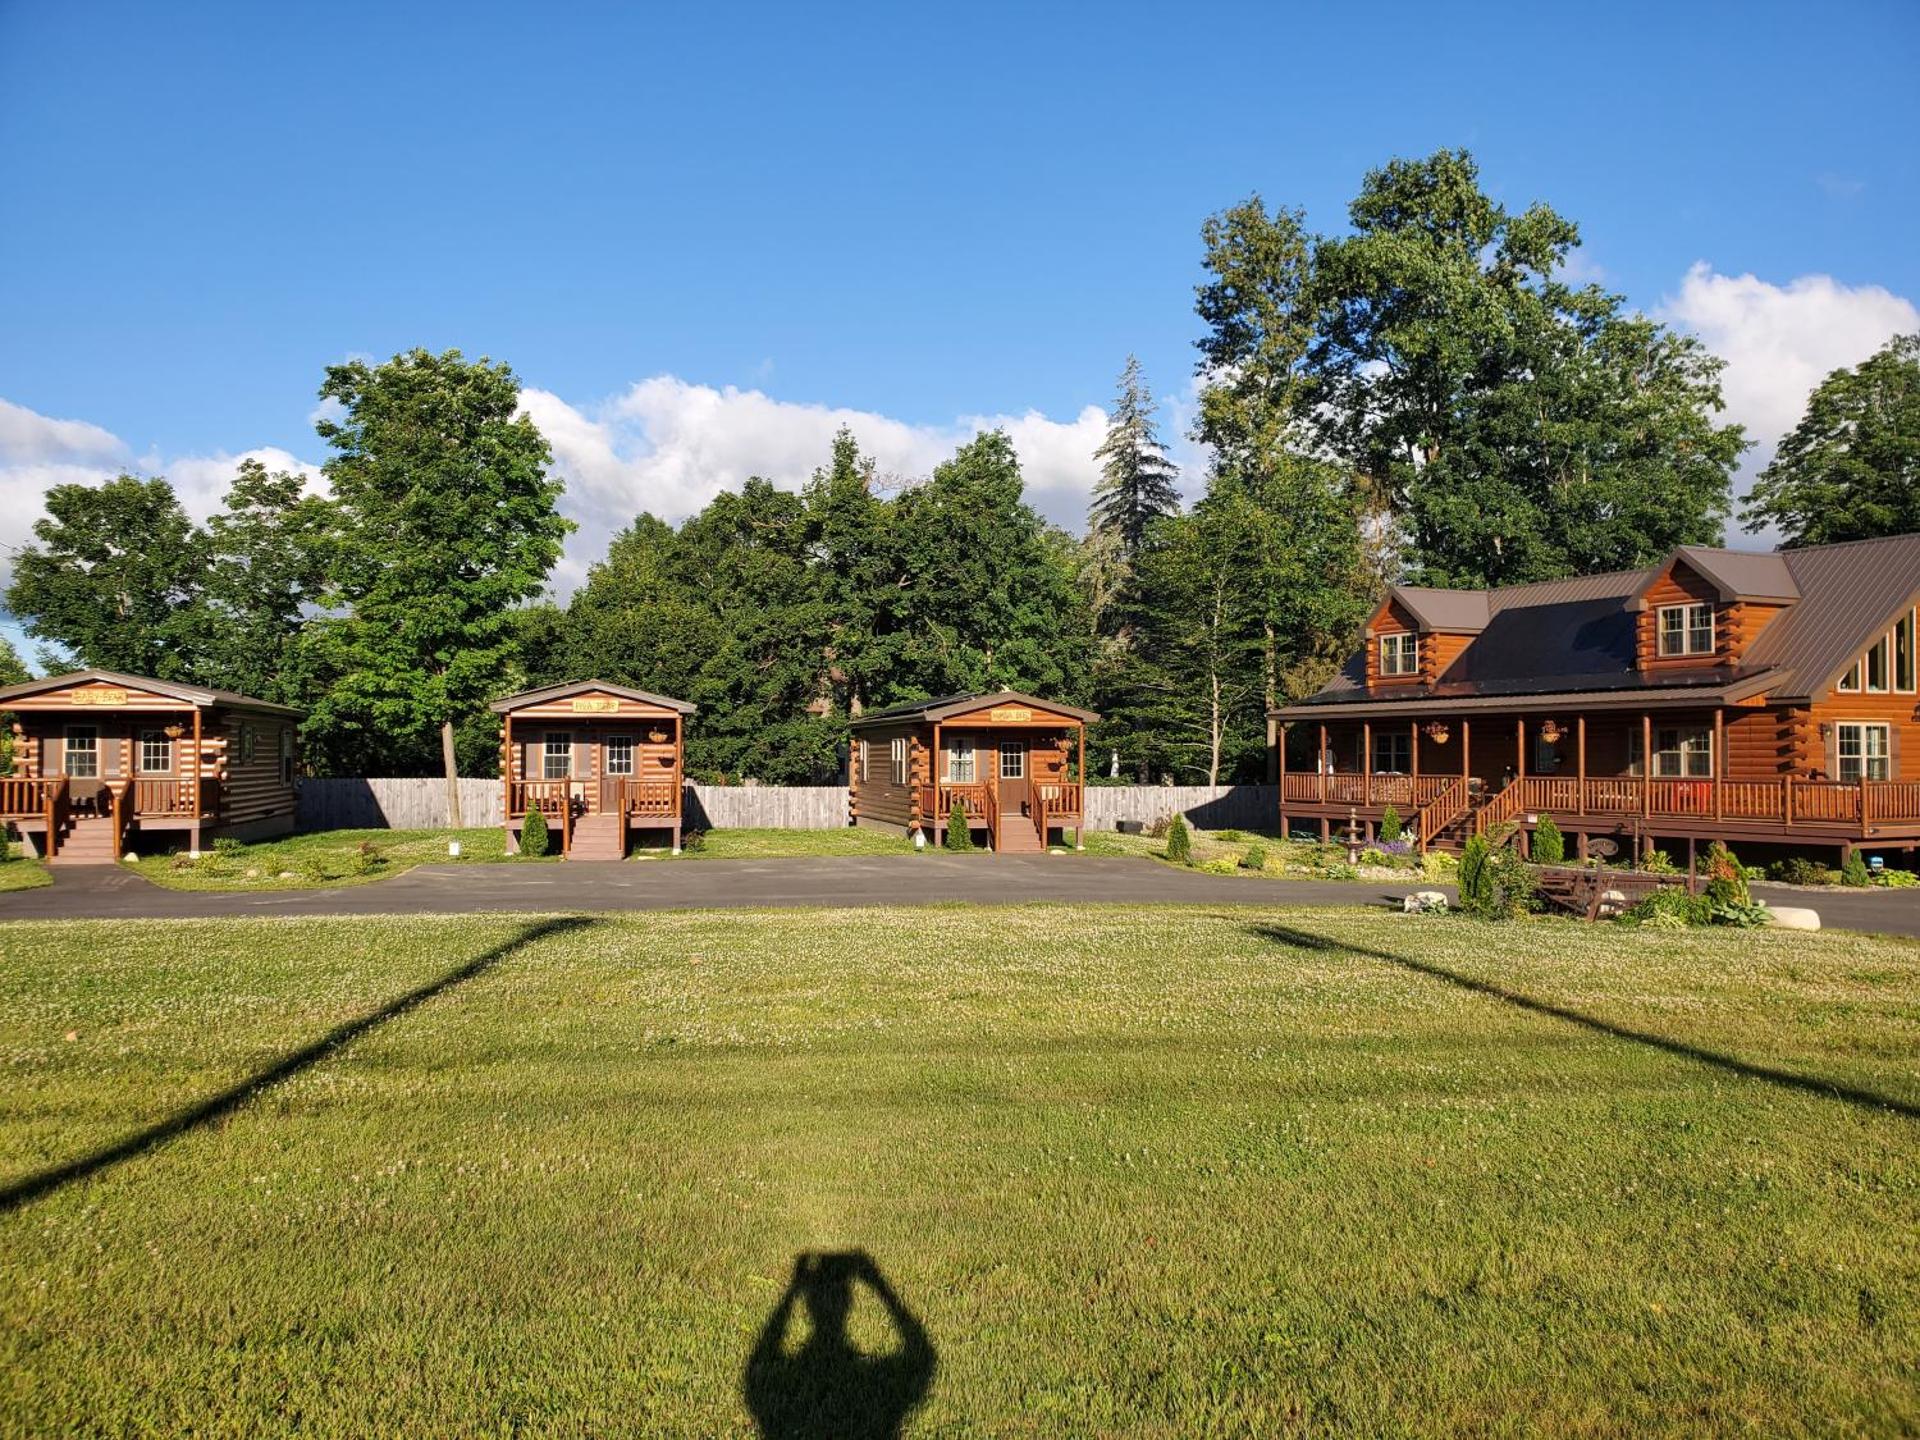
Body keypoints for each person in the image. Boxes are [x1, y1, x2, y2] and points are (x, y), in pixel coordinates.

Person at [744, 1250, 935, 1439]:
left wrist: (793, 1289)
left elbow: (759, 1363)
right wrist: (879, 1284)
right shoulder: (871, 1381)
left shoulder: (781, 1388)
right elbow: (923, 1357)